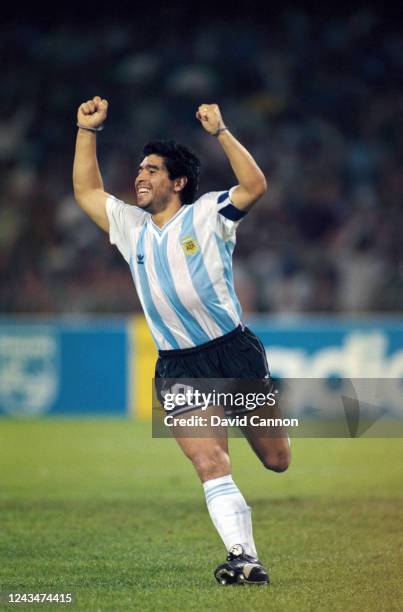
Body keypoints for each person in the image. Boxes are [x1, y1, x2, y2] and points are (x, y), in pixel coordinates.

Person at [73, 96, 291, 586]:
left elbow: (255, 186)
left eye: (151, 169)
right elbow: (87, 191)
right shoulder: (131, 227)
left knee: (277, 460)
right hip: (178, 366)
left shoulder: (209, 213)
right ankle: (244, 557)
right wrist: (87, 131)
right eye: (138, 169)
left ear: (178, 182)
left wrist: (220, 132)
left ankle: (244, 546)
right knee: (210, 462)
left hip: (233, 352)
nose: (139, 177)